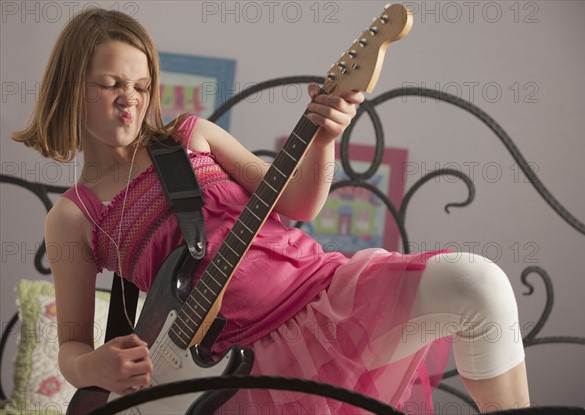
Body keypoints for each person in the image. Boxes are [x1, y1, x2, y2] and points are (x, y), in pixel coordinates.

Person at [12, 8, 530, 414]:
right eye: (110, 85)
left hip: (329, 303)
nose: (131, 100)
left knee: (476, 284)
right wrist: (94, 367)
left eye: (142, 86)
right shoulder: (72, 218)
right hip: (235, 373)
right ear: (70, 87)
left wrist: (325, 138)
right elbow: (72, 349)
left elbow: (298, 201)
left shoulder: (191, 138)